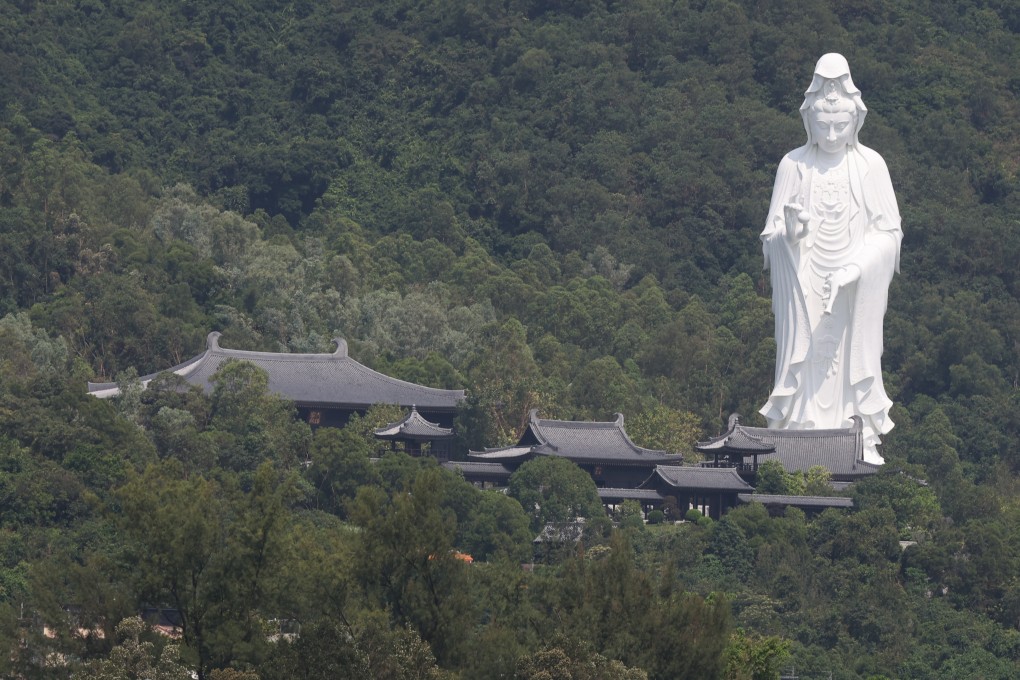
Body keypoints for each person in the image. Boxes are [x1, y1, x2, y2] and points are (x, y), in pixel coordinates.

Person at [759, 53, 901, 464]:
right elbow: (771, 236)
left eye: (841, 125)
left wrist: (856, 268)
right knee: (806, 360)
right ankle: (799, 430)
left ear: (856, 120)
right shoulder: (793, 165)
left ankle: (854, 432)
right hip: (805, 286)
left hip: (853, 292)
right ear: (809, 120)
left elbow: (889, 234)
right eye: (824, 125)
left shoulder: (871, 165)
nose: (833, 132)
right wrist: (790, 234)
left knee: (849, 361)